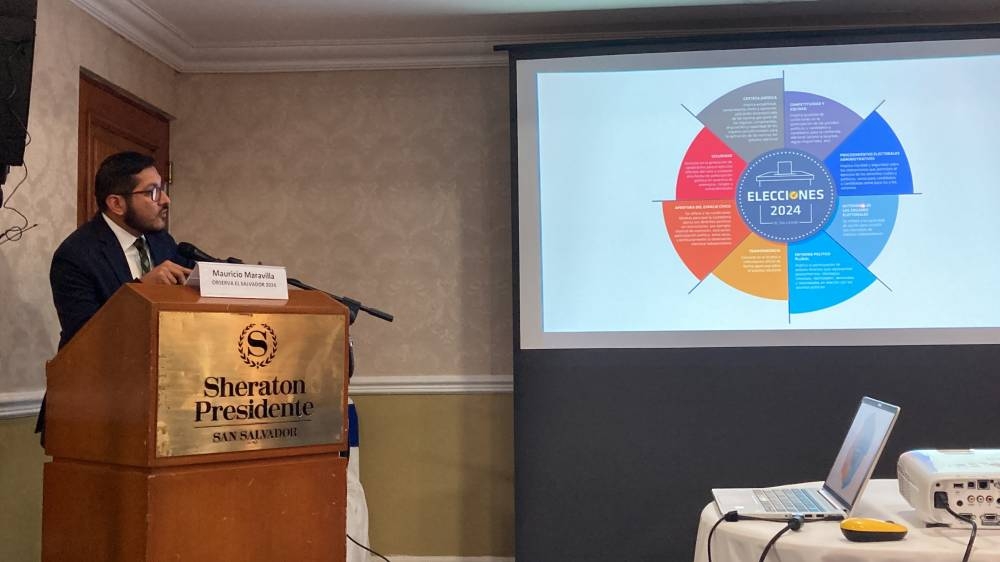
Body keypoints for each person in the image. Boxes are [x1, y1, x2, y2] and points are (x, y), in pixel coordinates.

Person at [37, 151, 193, 441]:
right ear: (116, 203)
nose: (165, 199)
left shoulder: (163, 242)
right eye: (153, 192)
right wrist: (141, 288)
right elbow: (86, 335)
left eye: (162, 189)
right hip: (92, 407)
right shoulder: (76, 255)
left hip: (156, 404)